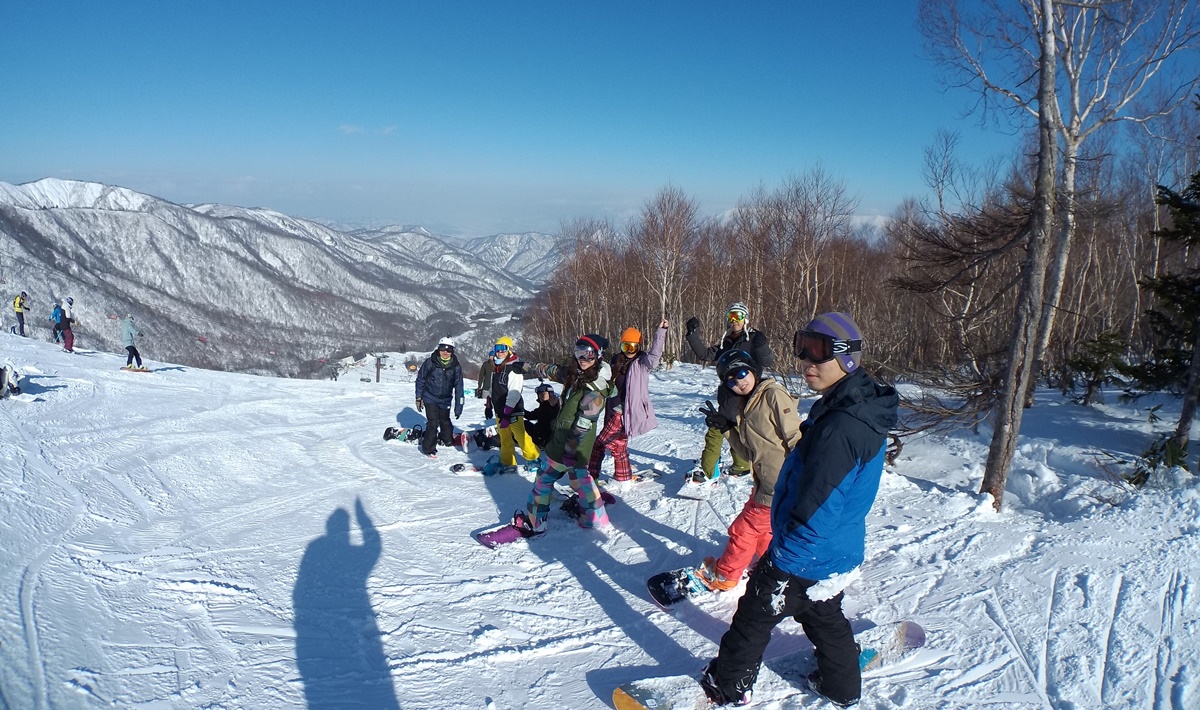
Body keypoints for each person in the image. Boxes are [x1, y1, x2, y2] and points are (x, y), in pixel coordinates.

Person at [700, 312, 899, 708]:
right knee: (823, 614)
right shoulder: (855, 407)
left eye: (818, 352)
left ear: (846, 357)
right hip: (837, 548)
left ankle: (728, 683)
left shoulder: (841, 426)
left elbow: (820, 505)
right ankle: (842, 686)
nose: (806, 361)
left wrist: (782, 561)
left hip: (806, 551)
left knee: (755, 614)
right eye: (801, 348)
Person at [691, 349, 801, 593]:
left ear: (753, 370)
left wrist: (802, 479)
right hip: (764, 481)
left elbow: (796, 437)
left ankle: (726, 575)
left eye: (741, 373)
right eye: (730, 379)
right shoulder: (747, 405)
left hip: (780, 482)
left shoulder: (773, 394)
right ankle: (768, 562)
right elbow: (749, 452)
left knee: (745, 529)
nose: (738, 381)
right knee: (764, 529)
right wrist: (727, 427)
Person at [514, 334, 614, 533]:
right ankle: (595, 518)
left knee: (543, 480)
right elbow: (550, 370)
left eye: (588, 355)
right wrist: (523, 366)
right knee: (582, 481)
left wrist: (569, 452)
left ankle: (536, 522)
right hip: (575, 449)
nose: (582, 359)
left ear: (599, 356)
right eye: (579, 353)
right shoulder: (576, 374)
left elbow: (583, 426)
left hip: (568, 447)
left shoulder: (595, 390)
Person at [685, 302, 774, 481]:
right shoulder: (727, 342)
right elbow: (705, 354)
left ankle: (708, 470)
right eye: (731, 317)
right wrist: (692, 335)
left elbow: (767, 361)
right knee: (735, 428)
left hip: (746, 393)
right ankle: (741, 465)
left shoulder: (753, 339)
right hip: (728, 392)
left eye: (738, 317)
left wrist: (762, 345)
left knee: (718, 428)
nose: (734, 321)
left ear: (745, 319)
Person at [587, 320, 668, 489]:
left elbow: (655, 354)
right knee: (619, 445)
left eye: (633, 347)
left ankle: (590, 478)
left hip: (626, 413)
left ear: (638, 346)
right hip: (612, 409)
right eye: (626, 347)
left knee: (599, 444)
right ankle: (623, 478)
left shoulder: (643, 362)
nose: (630, 351)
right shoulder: (616, 360)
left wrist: (661, 332)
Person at [487, 336, 540, 474]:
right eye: (497, 349)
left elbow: (514, 393)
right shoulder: (497, 368)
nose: (500, 352)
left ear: (509, 350)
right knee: (504, 438)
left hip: (513, 410)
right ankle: (508, 462)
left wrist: (507, 413)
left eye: (503, 349)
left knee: (520, 436)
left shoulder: (514, 369)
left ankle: (534, 458)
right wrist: (489, 403)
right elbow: (494, 389)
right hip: (500, 411)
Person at [414, 337, 465, 458]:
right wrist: (419, 397)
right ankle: (429, 448)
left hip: (446, 399)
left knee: (445, 421)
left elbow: (459, 388)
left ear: (452, 351)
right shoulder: (430, 362)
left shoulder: (455, 366)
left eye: (449, 350)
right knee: (433, 422)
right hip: (430, 397)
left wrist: (459, 407)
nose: (445, 352)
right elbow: (420, 380)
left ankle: (446, 439)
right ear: (438, 349)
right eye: (443, 349)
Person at [524, 382, 561, 449]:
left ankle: (540, 443)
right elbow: (531, 415)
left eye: (544, 393)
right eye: (539, 394)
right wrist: (519, 410)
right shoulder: (543, 407)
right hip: (539, 432)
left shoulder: (554, 406)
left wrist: (555, 406)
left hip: (546, 438)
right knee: (524, 424)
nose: (541, 395)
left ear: (550, 394)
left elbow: (555, 413)